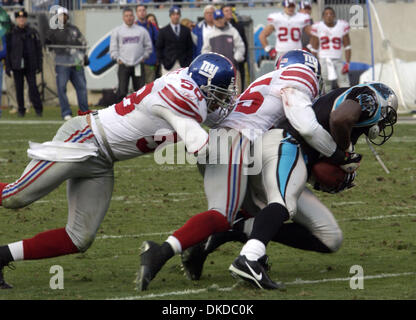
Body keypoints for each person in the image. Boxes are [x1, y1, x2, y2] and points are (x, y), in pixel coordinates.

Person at [0, 52, 237, 289]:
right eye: (220, 93)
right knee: (15, 196)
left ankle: (2, 256)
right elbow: (200, 145)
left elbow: (226, 118)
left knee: (78, 238)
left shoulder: (193, 90)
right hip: (83, 139)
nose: (223, 100)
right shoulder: (183, 95)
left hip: (103, 161)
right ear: (204, 87)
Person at [136, 50, 361, 291]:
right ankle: (163, 251)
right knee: (225, 215)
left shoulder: (266, 82)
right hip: (240, 143)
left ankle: (227, 244)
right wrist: (339, 156)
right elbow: (306, 127)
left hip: (229, 144)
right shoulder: (300, 76)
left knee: (249, 216)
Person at [181, 82, 398, 286]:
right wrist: (343, 155)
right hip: (281, 150)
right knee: (283, 205)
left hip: (287, 159)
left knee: (330, 237)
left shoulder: (347, 116)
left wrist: (334, 176)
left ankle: (231, 230)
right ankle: (249, 259)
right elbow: (339, 119)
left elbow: (318, 165)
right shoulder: (368, 96)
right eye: (387, 116)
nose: (384, 123)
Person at [45, 7, 90, 121]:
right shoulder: (53, 31)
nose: (62, 17)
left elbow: (83, 42)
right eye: (60, 15)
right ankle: (66, 112)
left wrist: (84, 56)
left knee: (82, 87)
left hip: (76, 62)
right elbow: (47, 44)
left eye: (64, 15)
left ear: (67, 16)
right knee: (61, 87)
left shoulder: (74, 29)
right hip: (61, 63)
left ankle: (84, 112)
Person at [5, 9, 43, 117]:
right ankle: (21, 109)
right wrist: (8, 66)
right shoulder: (11, 33)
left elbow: (38, 49)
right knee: (19, 88)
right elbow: (8, 52)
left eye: (23, 18)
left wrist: (39, 64)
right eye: (19, 18)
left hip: (30, 64)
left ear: (26, 19)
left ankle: (38, 109)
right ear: (16, 19)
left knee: (33, 87)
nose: (21, 19)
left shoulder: (32, 32)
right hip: (17, 65)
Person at [110, 7, 153, 101]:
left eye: (130, 16)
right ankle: (120, 113)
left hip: (138, 64)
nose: (129, 18)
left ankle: (140, 113)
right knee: (122, 91)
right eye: (126, 16)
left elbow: (149, 47)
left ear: (134, 17)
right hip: (123, 65)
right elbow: (113, 48)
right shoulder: (117, 31)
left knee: (140, 91)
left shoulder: (141, 31)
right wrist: (118, 59)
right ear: (123, 17)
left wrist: (144, 57)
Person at [201, 9, 245, 94]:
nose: (219, 21)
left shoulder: (233, 31)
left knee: (235, 95)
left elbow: (240, 47)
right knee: (218, 96)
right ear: (213, 20)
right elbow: (205, 51)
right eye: (217, 19)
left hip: (233, 69)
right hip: (216, 72)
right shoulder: (209, 34)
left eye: (221, 18)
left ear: (224, 18)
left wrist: (236, 58)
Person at [310, 7, 351, 93]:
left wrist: (347, 63)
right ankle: (326, 103)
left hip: (338, 60)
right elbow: (314, 48)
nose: (329, 16)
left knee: (345, 84)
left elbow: (347, 46)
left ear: (334, 15)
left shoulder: (342, 25)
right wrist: (314, 64)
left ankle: (345, 101)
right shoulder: (318, 27)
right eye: (326, 14)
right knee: (326, 85)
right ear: (323, 17)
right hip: (324, 59)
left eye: (331, 14)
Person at [155, 6, 194, 76]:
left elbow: (190, 47)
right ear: (170, 16)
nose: (176, 16)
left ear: (180, 15)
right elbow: (158, 48)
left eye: (177, 14)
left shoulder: (186, 30)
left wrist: (188, 61)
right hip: (168, 65)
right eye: (173, 14)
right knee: (167, 85)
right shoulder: (163, 31)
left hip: (183, 64)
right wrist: (162, 62)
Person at [222, 4, 248, 91]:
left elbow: (244, 44)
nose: (229, 12)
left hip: (237, 62)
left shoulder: (238, 26)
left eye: (230, 10)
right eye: (226, 11)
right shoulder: (219, 27)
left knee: (238, 88)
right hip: (224, 63)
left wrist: (240, 59)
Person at [135, 4, 159, 84]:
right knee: (138, 87)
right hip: (137, 63)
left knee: (150, 87)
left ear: (146, 12)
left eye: (143, 10)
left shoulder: (152, 26)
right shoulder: (133, 26)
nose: (142, 12)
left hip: (150, 61)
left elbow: (158, 43)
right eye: (139, 10)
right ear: (136, 13)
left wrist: (157, 58)